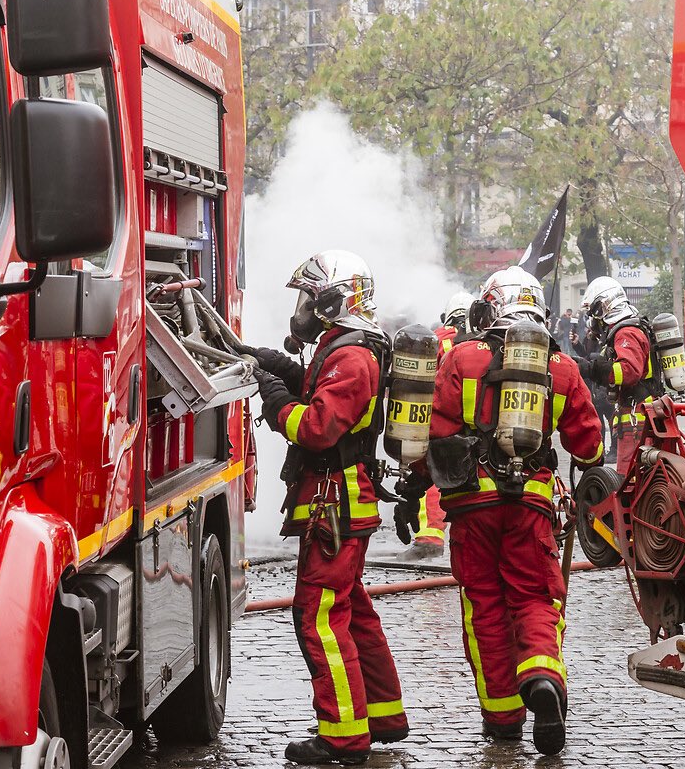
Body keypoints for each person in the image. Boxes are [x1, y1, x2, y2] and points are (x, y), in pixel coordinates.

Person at [398, 266, 603, 756]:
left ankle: (504, 718)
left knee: (484, 607)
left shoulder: (462, 357)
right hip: (530, 505)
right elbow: (590, 446)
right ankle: (543, 678)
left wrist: (414, 488)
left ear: (491, 307)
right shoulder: (561, 367)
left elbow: (433, 433)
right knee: (535, 598)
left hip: (471, 506)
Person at [245, 250, 408, 766]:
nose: (302, 310)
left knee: (318, 616)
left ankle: (343, 736)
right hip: (339, 502)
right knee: (352, 609)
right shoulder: (344, 348)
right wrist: (278, 367)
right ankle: (381, 715)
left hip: (335, 505)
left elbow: (317, 428)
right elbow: (322, 391)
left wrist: (276, 402)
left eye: (309, 300)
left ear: (337, 301)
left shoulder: (352, 356)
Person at [402, 291, 475, 560]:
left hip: (440, 418)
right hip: (477, 425)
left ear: (448, 316)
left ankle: (430, 537)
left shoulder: (438, 338)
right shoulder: (483, 341)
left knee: (433, 473)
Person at [577, 276, 664, 472]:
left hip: (637, 418)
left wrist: (591, 369)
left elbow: (628, 371)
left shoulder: (626, 332)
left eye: (592, 313)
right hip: (637, 415)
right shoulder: (627, 329)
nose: (592, 320)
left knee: (629, 477)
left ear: (602, 308)